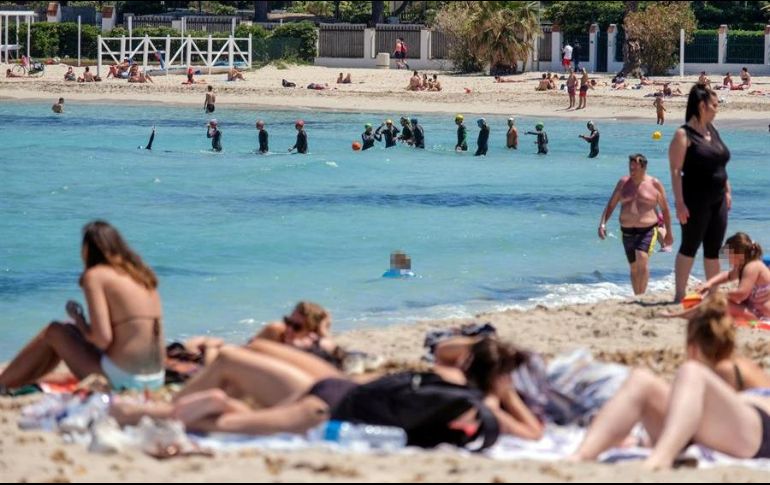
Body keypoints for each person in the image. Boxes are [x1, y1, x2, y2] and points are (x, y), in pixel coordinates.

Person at [110, 337, 540, 444]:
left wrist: (485, 350)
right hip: (328, 406)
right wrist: (504, 392)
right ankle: (141, 415)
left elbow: (446, 348)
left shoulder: (449, 375)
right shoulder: (474, 401)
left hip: (332, 391)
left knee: (231, 367)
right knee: (230, 423)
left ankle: (170, 407)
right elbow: (533, 434)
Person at [571, 293, 770, 469]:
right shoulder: (729, 368)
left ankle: (660, 459)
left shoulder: (724, 369)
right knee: (641, 379)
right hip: (737, 428)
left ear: (692, 347)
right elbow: (692, 418)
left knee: (691, 371)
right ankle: (581, 456)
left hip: (761, 428)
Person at [0, 221, 165, 392]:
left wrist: (80, 321)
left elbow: (103, 339)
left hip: (123, 381)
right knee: (68, 330)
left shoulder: (95, 275)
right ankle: (11, 381)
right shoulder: (142, 277)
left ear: (87, 249)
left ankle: (3, 382)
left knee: (55, 331)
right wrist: (79, 323)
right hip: (155, 380)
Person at [669, 83, 732, 303]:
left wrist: (727, 190)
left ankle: (714, 296)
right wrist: (679, 203)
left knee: (714, 248)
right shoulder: (683, 135)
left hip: (719, 200)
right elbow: (676, 171)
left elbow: (720, 163)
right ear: (702, 105)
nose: (717, 109)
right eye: (714, 105)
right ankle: (679, 294)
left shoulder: (712, 131)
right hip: (694, 199)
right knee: (690, 245)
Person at [598, 154, 674, 295]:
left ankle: (642, 296)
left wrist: (669, 233)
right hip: (627, 231)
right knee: (633, 267)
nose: (632, 171)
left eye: (635, 168)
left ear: (644, 168)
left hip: (648, 230)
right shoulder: (623, 183)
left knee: (642, 259)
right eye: (630, 167)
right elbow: (611, 204)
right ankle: (637, 295)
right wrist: (602, 224)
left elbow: (665, 210)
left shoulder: (654, 184)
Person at [694, 233, 770, 322]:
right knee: (719, 304)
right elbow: (727, 276)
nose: (727, 259)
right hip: (754, 307)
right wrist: (709, 283)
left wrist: (719, 296)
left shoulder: (752, 267)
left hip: (762, 312)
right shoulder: (743, 266)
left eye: (728, 254)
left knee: (720, 304)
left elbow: (741, 294)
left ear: (737, 254)